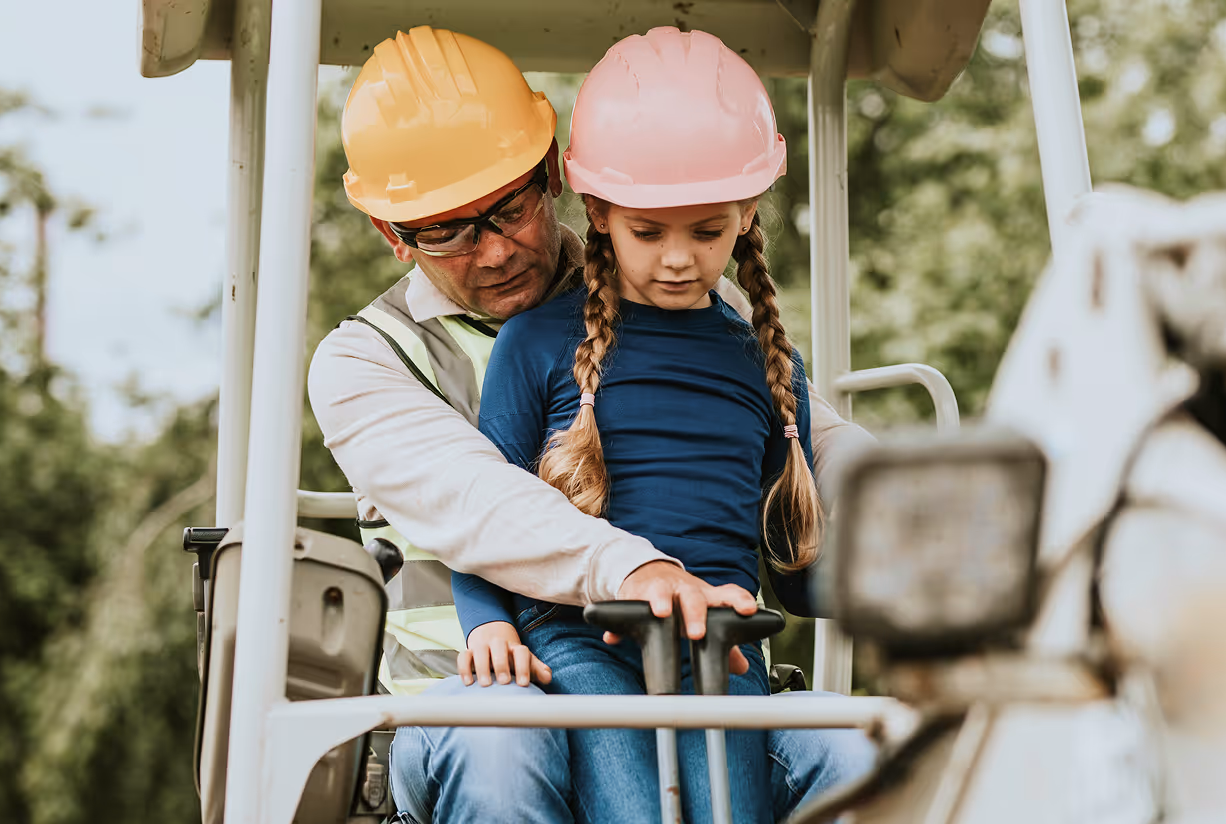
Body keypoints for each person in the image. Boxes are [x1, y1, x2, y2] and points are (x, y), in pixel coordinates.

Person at [308, 24, 877, 823]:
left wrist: (928, 503)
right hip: (480, 686)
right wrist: (639, 572)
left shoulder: (687, 298)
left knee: (865, 754)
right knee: (504, 739)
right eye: (446, 229)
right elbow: (482, 504)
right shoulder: (365, 362)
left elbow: (812, 440)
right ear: (392, 235)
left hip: (702, 662)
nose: (494, 251)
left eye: (508, 209)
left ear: (553, 178)